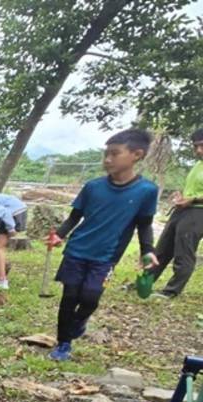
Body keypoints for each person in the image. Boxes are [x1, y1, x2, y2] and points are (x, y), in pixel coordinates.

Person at [47, 129, 159, 362]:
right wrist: (59, 235)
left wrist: (148, 251)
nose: (107, 160)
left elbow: (144, 225)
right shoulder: (93, 186)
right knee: (69, 297)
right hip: (77, 249)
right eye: (105, 154)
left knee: (90, 297)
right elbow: (74, 217)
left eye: (114, 154)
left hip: (107, 256)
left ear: (136, 155)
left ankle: (80, 321)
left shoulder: (146, 191)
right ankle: (63, 343)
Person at [149, 127, 203, 298]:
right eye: (195, 146)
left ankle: (171, 291)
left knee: (183, 252)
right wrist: (181, 195)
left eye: (202, 146)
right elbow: (194, 189)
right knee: (162, 249)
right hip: (182, 210)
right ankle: (143, 283)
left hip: (198, 214)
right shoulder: (198, 165)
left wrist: (193, 200)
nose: (198, 150)